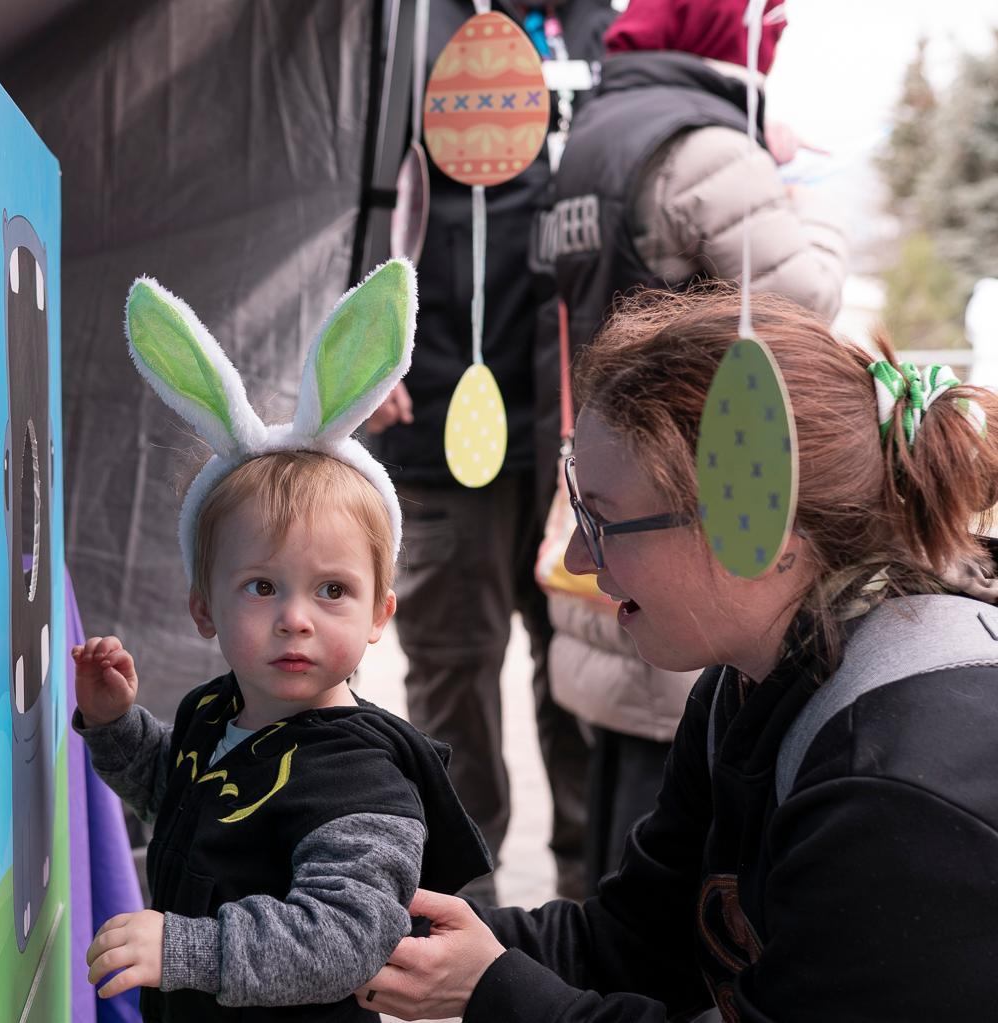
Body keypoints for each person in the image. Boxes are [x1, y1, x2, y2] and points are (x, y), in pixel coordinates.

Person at [355, 287, 998, 1021]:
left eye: (602, 519)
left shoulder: (900, 791)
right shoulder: (750, 679)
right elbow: (637, 943)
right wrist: (377, 932)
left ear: (756, 525)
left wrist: (495, 991)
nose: (574, 555)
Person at [77, 264, 491, 1021]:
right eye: (262, 586)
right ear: (203, 607)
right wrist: (116, 727)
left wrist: (183, 949)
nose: (295, 617)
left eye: (332, 590)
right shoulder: (221, 711)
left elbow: (347, 935)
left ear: (379, 614)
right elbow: (184, 797)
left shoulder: (363, 776)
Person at [531, 0, 849, 893]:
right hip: (693, 529)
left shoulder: (592, 139)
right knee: (674, 845)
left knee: (614, 825)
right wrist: (804, 201)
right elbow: (800, 305)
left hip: (602, 503)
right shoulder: (708, 151)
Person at [368, 0, 616, 905]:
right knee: (455, 699)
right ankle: (463, 938)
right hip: (439, 425)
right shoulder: (413, 23)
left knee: (587, 685)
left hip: (586, 441)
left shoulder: (606, 27)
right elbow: (351, 186)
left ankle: (596, 933)